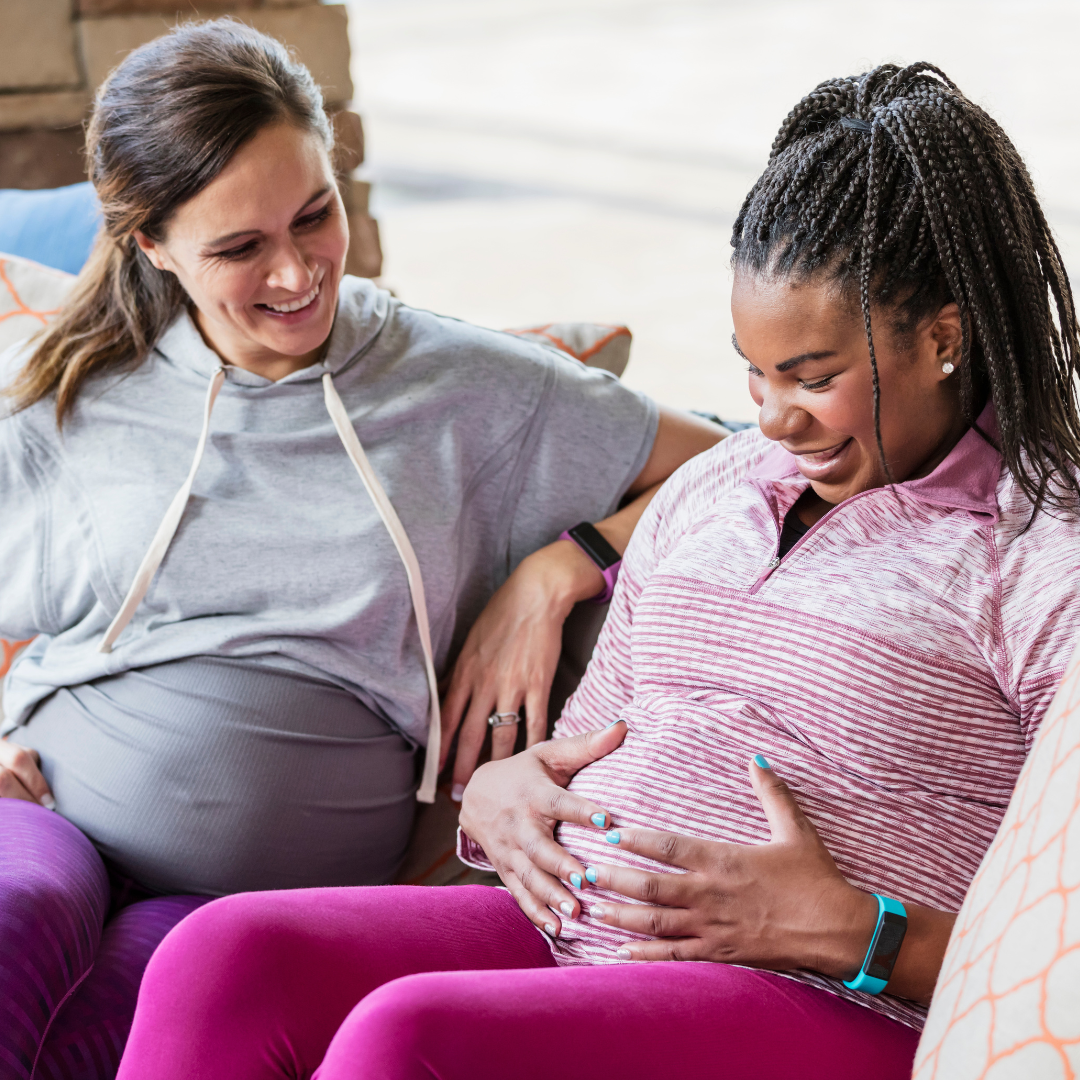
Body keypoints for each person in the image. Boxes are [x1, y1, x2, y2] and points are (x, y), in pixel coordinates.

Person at [114, 62, 1080, 1080]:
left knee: (411, 1040)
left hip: (830, 998)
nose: (771, 419)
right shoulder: (716, 488)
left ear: (942, 338)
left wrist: (853, 930)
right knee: (225, 959)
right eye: (753, 371)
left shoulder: (1039, 560)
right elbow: (590, 742)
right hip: (579, 935)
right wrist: (501, 797)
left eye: (815, 378)